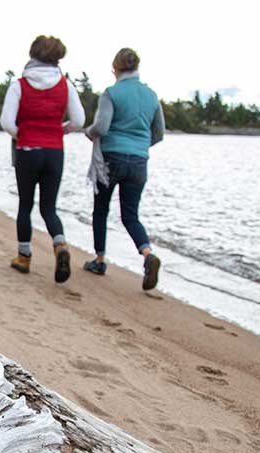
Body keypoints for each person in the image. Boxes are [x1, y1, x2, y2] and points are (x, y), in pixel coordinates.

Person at [0, 35, 85, 283]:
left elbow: (6, 122)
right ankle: (60, 246)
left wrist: (22, 134)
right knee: (49, 207)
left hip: (27, 150)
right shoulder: (66, 85)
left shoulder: (20, 85)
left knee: (25, 205)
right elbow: (79, 121)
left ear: (33, 54)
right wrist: (61, 130)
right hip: (54, 151)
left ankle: (24, 257)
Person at [84, 47, 165, 290]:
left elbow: (102, 126)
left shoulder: (112, 93)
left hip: (111, 158)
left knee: (101, 210)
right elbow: (159, 133)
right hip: (139, 160)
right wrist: (140, 146)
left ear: (115, 68)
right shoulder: (151, 96)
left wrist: (88, 132)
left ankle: (99, 260)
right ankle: (147, 254)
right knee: (130, 215)